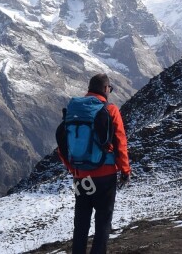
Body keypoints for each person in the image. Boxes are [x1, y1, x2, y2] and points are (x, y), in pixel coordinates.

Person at [57, 74, 131, 254]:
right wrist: (125, 171)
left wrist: (73, 168)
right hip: (105, 177)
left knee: (81, 222)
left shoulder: (74, 108)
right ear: (106, 89)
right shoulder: (110, 110)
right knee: (102, 223)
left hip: (81, 177)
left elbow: (63, 143)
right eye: (110, 89)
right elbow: (120, 142)